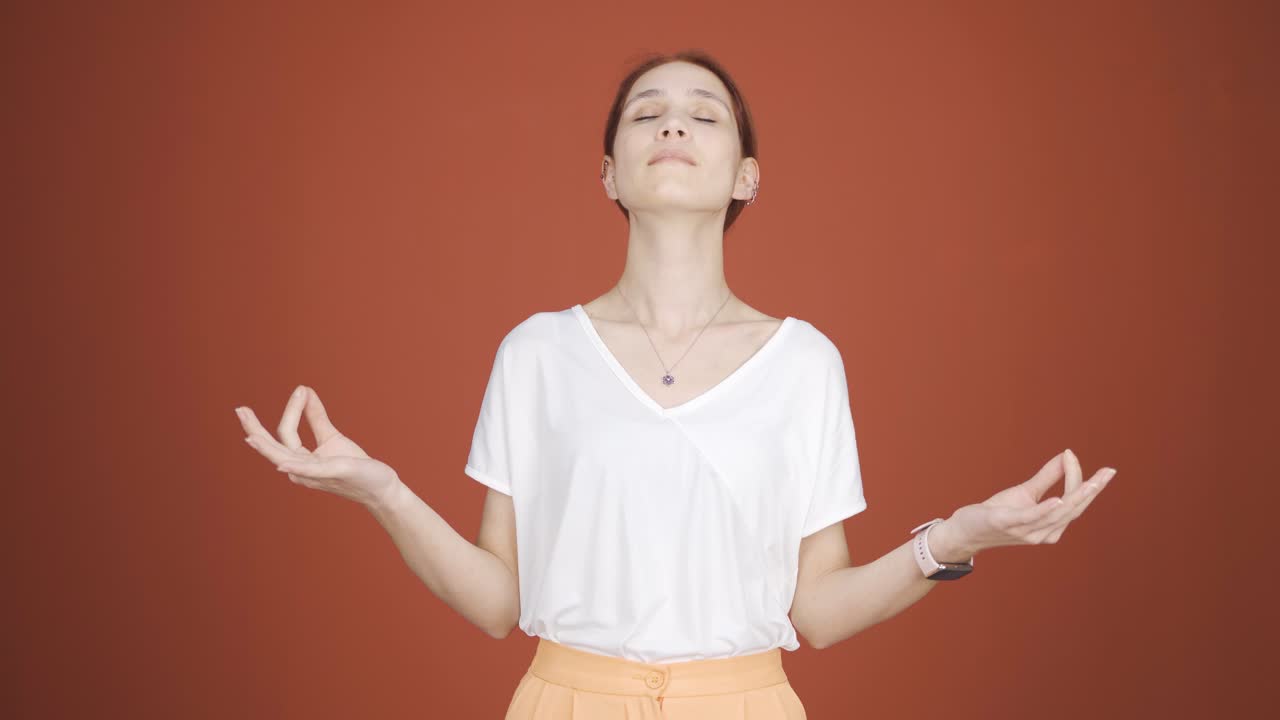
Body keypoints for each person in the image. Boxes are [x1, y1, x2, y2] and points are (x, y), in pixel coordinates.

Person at [234, 50, 1117, 719]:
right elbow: (501, 602)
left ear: (746, 176)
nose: (673, 125)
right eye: (645, 114)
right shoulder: (536, 352)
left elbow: (819, 609)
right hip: (564, 702)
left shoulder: (805, 362)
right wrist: (382, 491)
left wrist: (963, 534)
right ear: (610, 174)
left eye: (704, 115)